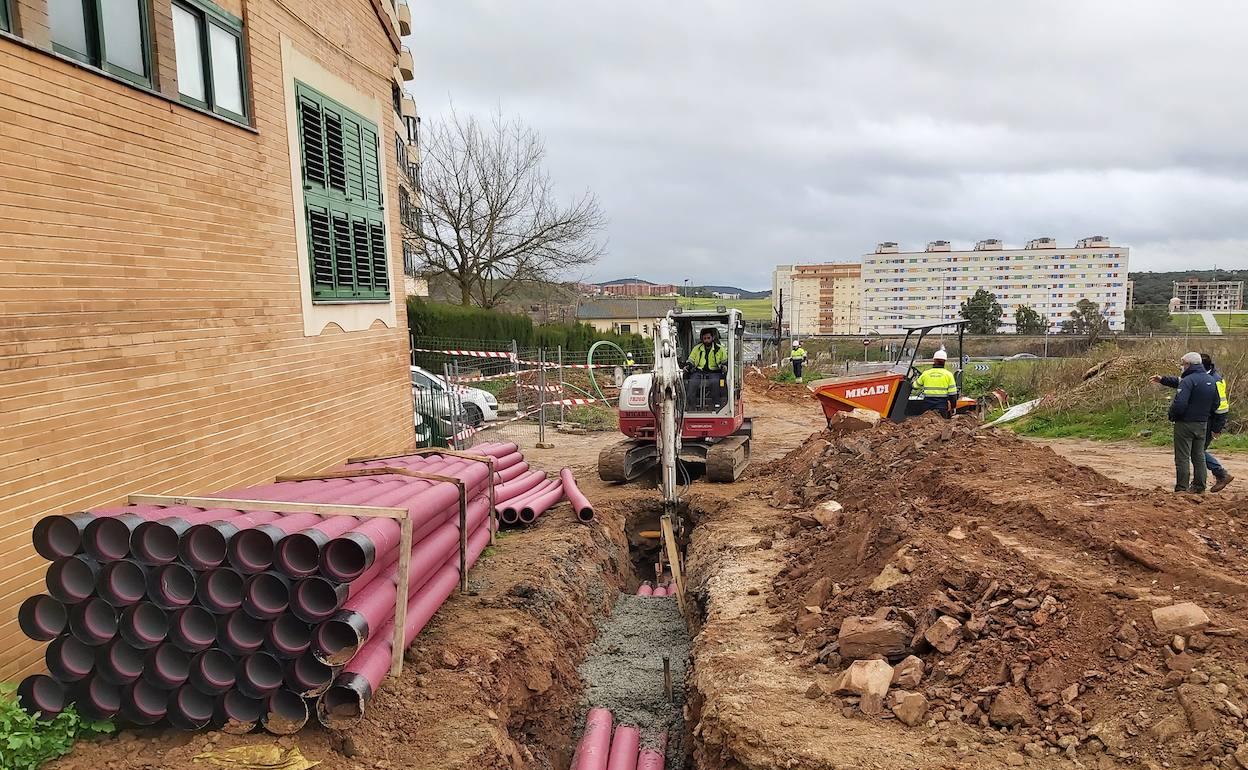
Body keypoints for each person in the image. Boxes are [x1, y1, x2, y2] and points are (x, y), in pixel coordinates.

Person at [1152, 352, 1233, 492]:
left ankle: (1183, 488)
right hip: (1203, 422)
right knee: (1199, 455)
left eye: (1183, 364)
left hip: (1188, 423)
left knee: (1184, 456)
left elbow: (1181, 403)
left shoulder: (1190, 380)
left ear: (1190, 364)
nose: (1182, 367)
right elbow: (1217, 402)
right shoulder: (1211, 379)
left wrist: (1173, 415)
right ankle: (1200, 486)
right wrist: (1163, 380)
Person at [685, 327, 728, 409]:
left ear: (713, 338)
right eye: (704, 338)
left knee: (714, 382)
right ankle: (691, 406)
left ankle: (716, 405)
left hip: (715, 372)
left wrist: (724, 367)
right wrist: (688, 366)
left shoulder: (720, 349)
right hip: (699, 372)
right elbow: (691, 360)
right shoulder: (697, 348)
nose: (706, 340)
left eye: (708, 338)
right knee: (692, 383)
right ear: (702, 339)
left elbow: (725, 361)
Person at [913, 348, 958, 417]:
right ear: (944, 361)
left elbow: (915, 386)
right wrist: (953, 407)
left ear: (934, 360)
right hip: (941, 406)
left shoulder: (926, 374)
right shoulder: (948, 375)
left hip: (927, 406)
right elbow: (953, 395)